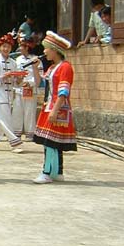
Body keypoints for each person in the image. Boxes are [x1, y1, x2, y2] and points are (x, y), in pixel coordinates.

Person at [33, 31, 76, 183]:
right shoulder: (52, 68)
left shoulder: (65, 67)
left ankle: (47, 172)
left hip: (58, 108)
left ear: (55, 50)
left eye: (46, 48)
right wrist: (35, 68)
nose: (44, 51)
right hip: (49, 107)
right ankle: (57, 171)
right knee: (52, 141)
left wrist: (55, 110)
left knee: (50, 142)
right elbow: (41, 84)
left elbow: (63, 91)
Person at [0, 33, 24, 153]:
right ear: (0, 47)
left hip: (10, 95)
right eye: (4, 46)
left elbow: (16, 82)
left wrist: (19, 79)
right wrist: (2, 78)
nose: (6, 49)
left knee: (2, 120)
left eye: (8, 47)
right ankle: (15, 143)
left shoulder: (13, 63)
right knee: (5, 120)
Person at [12, 38, 42, 141]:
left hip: (30, 89)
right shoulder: (17, 60)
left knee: (30, 112)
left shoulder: (35, 60)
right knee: (17, 111)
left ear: (27, 47)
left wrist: (30, 83)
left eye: (21, 46)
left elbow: (40, 76)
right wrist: (18, 80)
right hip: (19, 89)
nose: (19, 48)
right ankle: (16, 133)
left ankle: (30, 134)